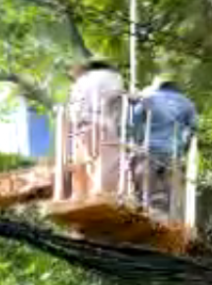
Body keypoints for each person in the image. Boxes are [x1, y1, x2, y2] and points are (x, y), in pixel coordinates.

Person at [129, 75, 197, 219]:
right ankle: (170, 219)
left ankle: (144, 212)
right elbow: (193, 128)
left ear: (159, 87)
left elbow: (135, 120)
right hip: (173, 152)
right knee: (171, 189)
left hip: (149, 149)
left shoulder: (149, 98)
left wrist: (137, 141)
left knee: (144, 184)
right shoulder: (187, 103)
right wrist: (183, 149)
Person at [64, 53, 125, 201]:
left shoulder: (81, 81)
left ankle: (80, 197)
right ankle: (103, 196)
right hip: (102, 123)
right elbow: (117, 101)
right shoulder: (113, 77)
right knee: (107, 162)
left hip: (80, 126)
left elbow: (72, 107)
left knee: (84, 163)